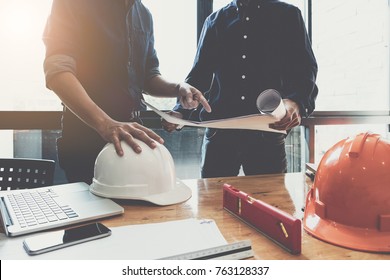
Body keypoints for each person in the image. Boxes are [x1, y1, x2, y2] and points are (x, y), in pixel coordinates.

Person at [43, 0, 211, 184]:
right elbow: (57, 72)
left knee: (136, 210)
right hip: (85, 138)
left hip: (131, 136)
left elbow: (148, 76)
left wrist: (178, 88)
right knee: (92, 209)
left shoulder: (144, 14)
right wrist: (105, 124)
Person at [162, 0, 318, 178]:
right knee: (213, 202)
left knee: (268, 202)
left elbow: (305, 69)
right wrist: (180, 112)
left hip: (267, 135)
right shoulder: (214, 21)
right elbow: (199, 76)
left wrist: (296, 102)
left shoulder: (288, 15)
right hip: (219, 137)